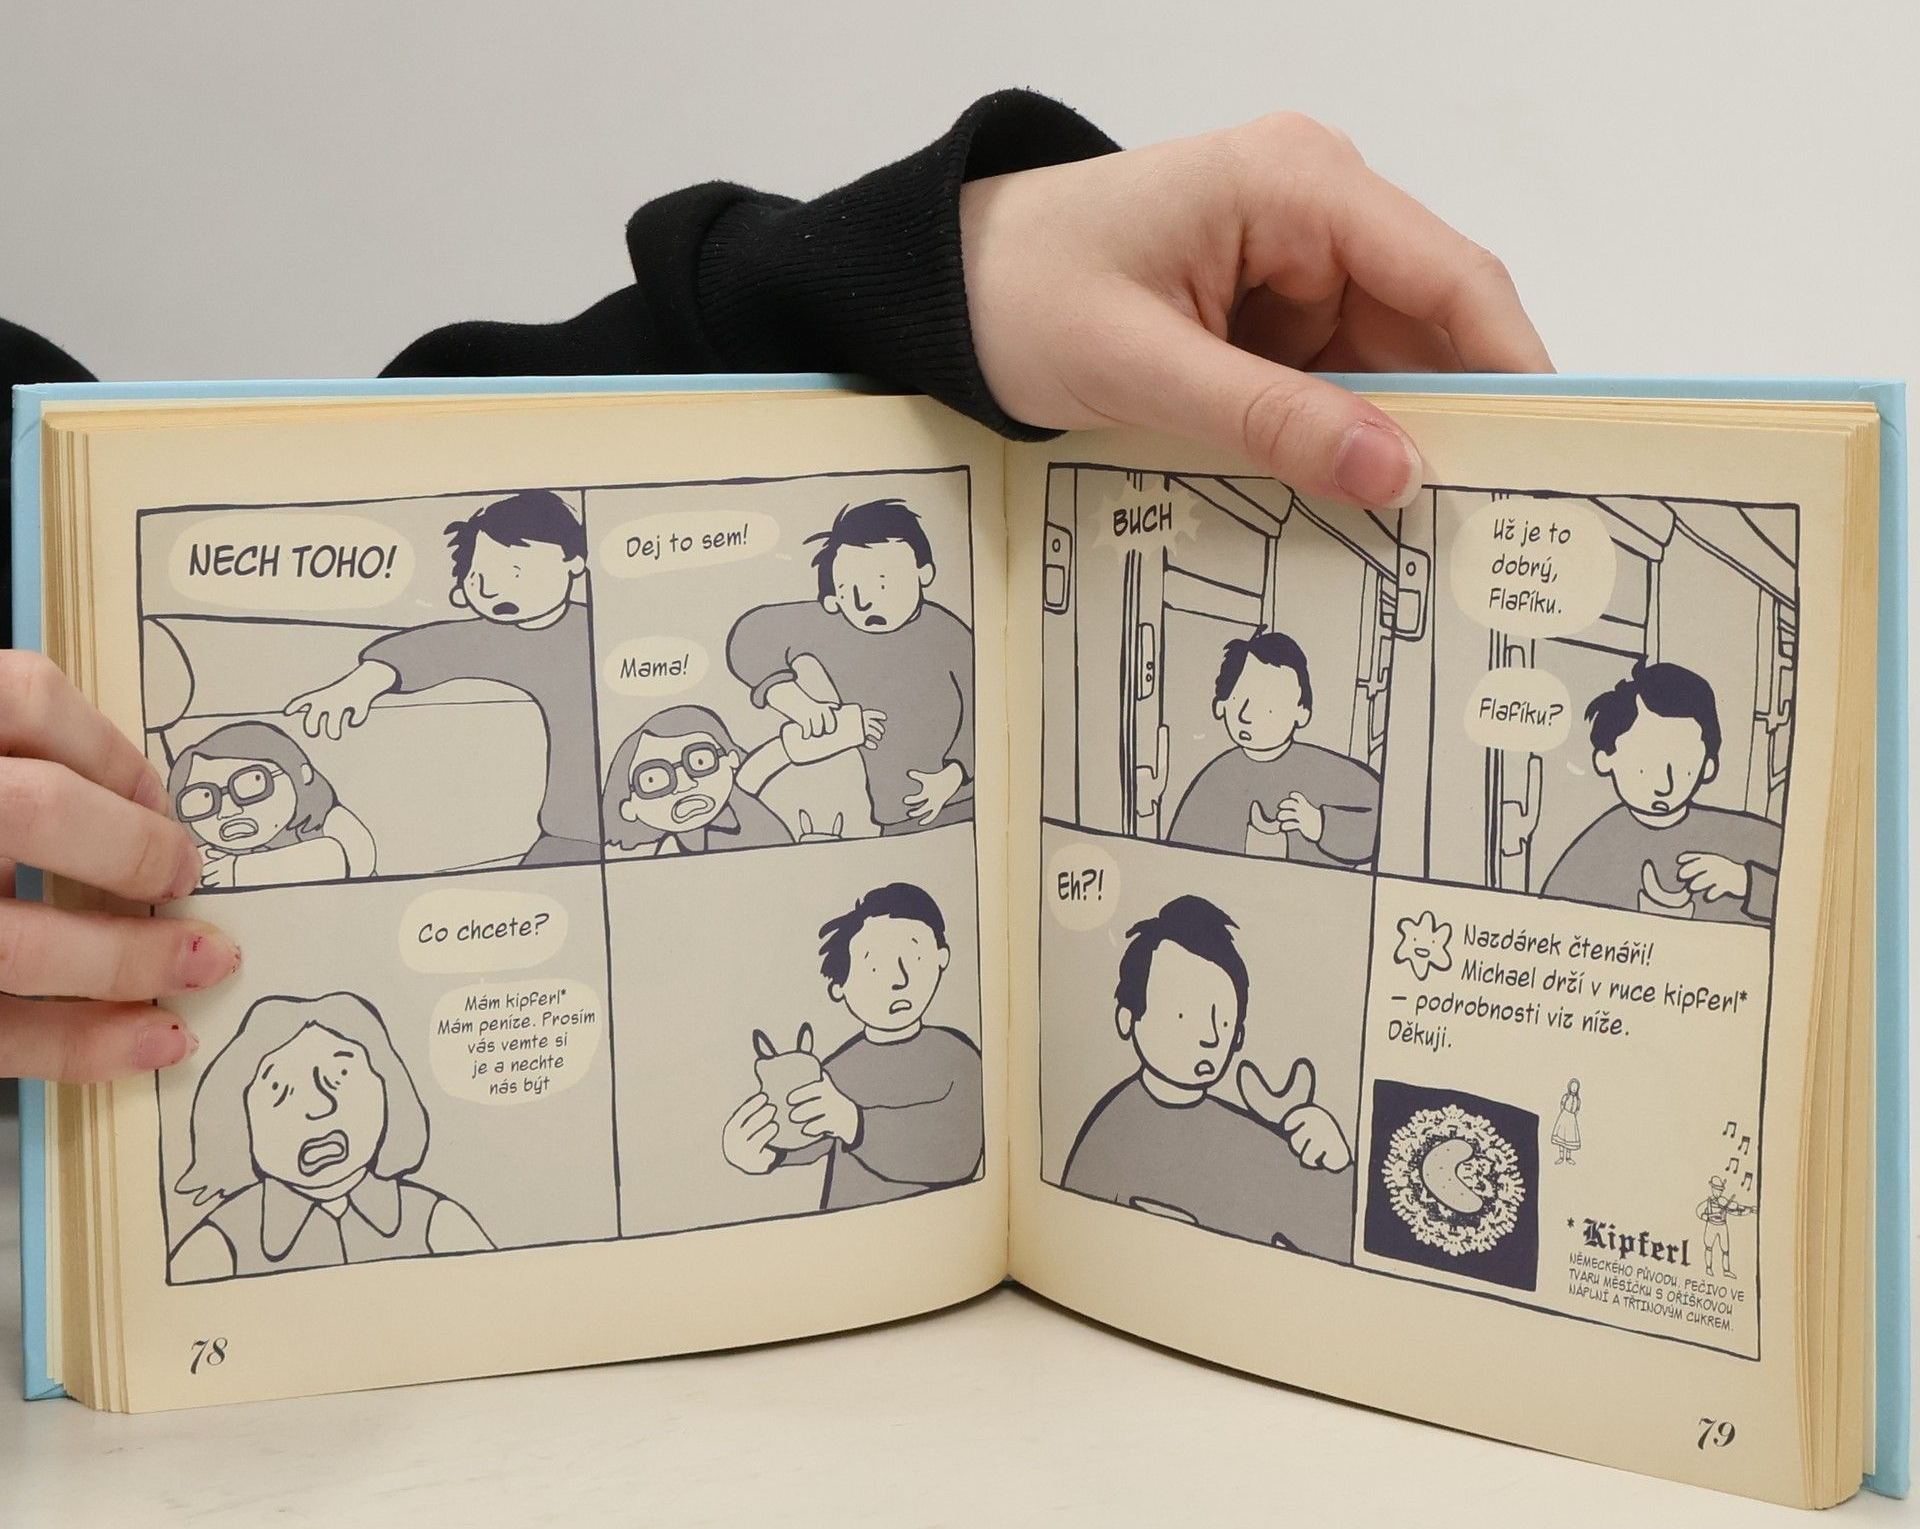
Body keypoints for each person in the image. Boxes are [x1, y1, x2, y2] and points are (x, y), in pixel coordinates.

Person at [0, 96, 1551, 1080]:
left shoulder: (966, 652)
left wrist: (931, 272)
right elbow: (722, 632)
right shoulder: (775, 649)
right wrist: (779, 701)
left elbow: (436, 471)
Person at [283, 490, 598, 868]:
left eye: (516, 571)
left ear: (573, 562)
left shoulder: (603, 628)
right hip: (571, 834)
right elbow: (431, 648)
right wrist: (360, 685)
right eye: (478, 577)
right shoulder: (499, 637)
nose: (492, 589)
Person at [1059, 894, 1355, 1260]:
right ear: (1128, 1018)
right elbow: (1078, 1231)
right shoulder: (1113, 1129)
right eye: (1184, 1014)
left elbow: (1337, 1236)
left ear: (1238, 1036)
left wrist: (1337, 1167)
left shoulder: (1249, 1140)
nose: (1211, 1036)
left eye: (1224, 1020)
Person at [167, 991, 492, 1281]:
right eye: (281, 1089)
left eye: (340, 1076)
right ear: (239, 1119)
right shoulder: (223, 1242)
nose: (319, 1107)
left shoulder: (434, 1220)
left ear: (387, 1089)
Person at [720, 882, 984, 1209]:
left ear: (941, 958)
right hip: (851, 1231)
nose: (898, 980)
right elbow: (809, 1138)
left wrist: (856, 1125)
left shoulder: (959, 1058)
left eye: (914, 956)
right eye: (874, 967)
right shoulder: (838, 1070)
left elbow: (957, 1156)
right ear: (839, 987)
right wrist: (763, 1151)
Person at [727, 500, 974, 835]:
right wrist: (794, 701)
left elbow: (981, 709)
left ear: (923, 573)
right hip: (894, 818)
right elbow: (750, 636)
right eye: (849, 588)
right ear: (832, 600)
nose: (866, 600)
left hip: (962, 803)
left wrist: (954, 776)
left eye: (883, 580)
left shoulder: (947, 634)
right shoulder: (833, 624)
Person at [1541, 661, 1782, 925]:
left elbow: (1806, 896)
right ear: (1605, 759)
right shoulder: (1594, 851)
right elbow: (1550, 922)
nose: (1664, 785)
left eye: (1682, 762)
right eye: (1645, 762)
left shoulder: (1746, 835)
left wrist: (1745, 883)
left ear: (1708, 766)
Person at [1165, 630, 1381, 865]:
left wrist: (1321, 825)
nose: (1246, 715)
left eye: (1267, 704)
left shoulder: (1326, 770)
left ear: (1302, 712)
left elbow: (1385, 821)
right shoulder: (1216, 778)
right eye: (1238, 698)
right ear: (1221, 705)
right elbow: (1179, 854)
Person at [168, 720, 377, 888]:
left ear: (302, 774)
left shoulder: (328, 819)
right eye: (203, 798)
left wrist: (240, 871)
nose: (228, 810)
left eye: (252, 782)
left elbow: (351, 859)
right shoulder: (207, 852)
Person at [600, 705, 796, 857]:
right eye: (653, 780)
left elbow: (773, 756)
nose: (685, 785)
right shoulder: (671, 849)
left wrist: (796, 742)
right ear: (629, 808)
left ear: (731, 759)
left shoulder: (740, 793)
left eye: (700, 761)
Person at [1695, 1173, 1753, 1278]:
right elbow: (1699, 1212)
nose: (1718, 1192)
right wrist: (1710, 1216)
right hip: (1711, 1225)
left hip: (1722, 1226)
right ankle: (1708, 1268)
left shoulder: (1724, 1202)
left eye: (1720, 1190)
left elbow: (1734, 1210)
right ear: (1712, 1189)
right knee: (1708, 1247)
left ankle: (1726, 1270)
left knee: (1725, 1249)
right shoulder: (1708, 1202)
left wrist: (1748, 1210)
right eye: (1717, 1189)